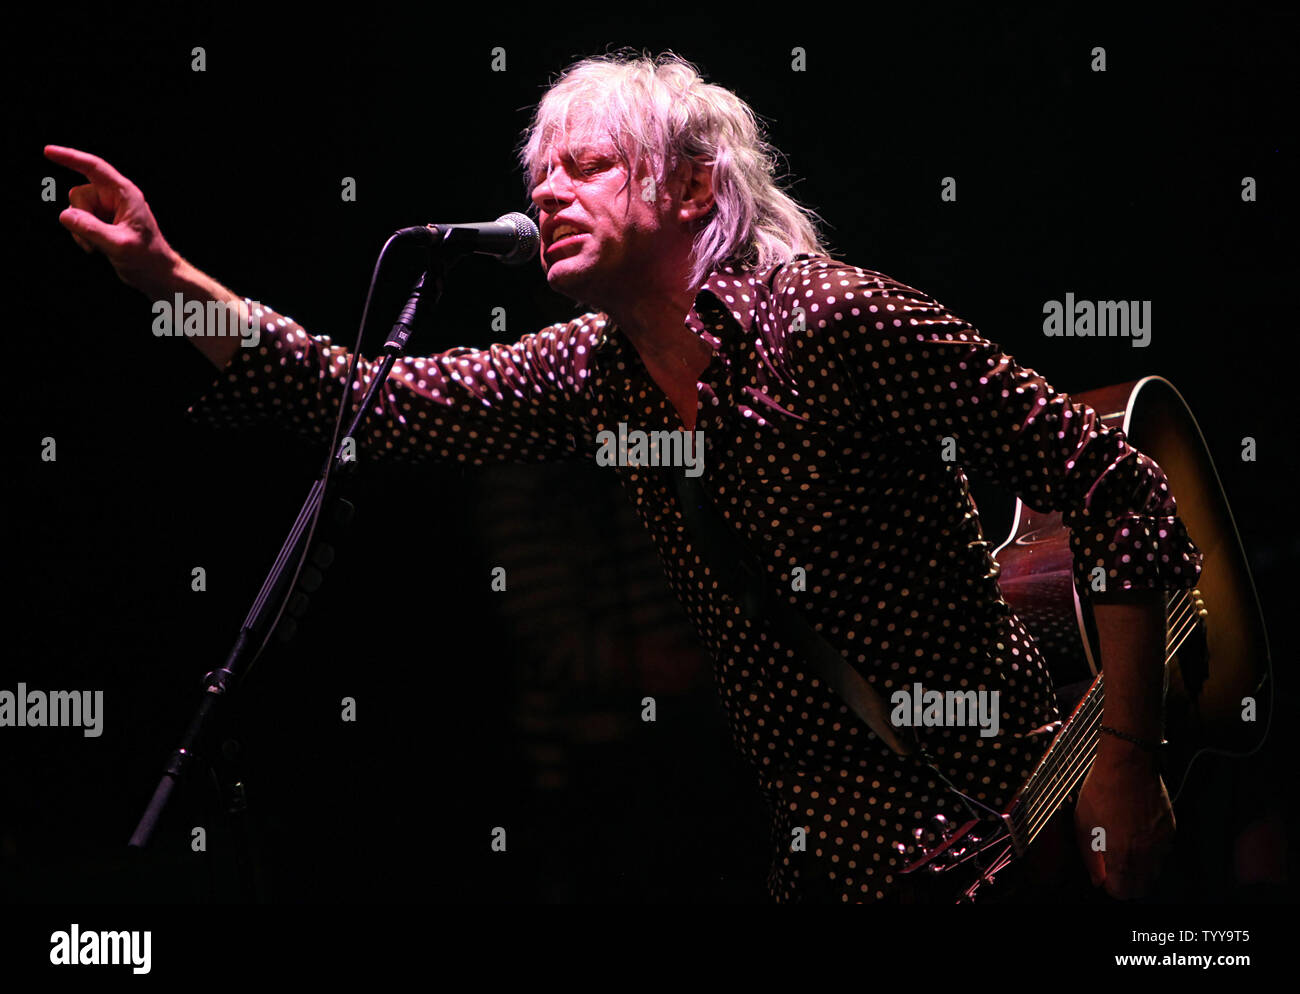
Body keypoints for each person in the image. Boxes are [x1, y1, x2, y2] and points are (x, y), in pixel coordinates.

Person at [45, 50, 1200, 904]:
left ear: (693, 190)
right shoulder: (597, 372)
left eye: (586, 166)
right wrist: (162, 274)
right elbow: (365, 400)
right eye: (539, 173)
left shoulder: (840, 320)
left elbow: (1120, 488)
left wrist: (1125, 763)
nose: (546, 192)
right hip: (838, 869)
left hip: (1015, 822)